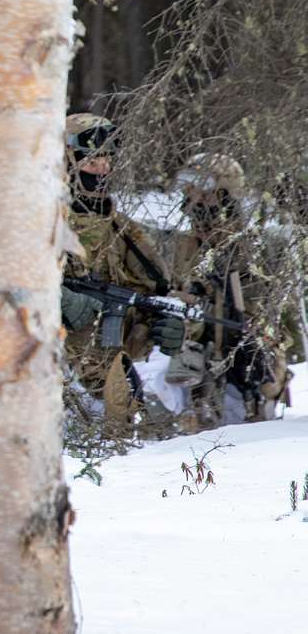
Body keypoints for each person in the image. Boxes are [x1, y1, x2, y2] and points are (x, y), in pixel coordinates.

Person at [58, 113, 185, 432]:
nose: (102, 167)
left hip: (107, 369)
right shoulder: (41, 221)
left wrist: (162, 325)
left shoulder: (123, 230)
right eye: (90, 160)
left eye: (107, 158)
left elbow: (152, 292)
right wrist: (59, 298)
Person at [162, 153, 292, 428]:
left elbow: (272, 317)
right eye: (190, 194)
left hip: (246, 370)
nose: (194, 203)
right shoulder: (183, 247)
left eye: (203, 195)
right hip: (200, 366)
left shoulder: (255, 247)